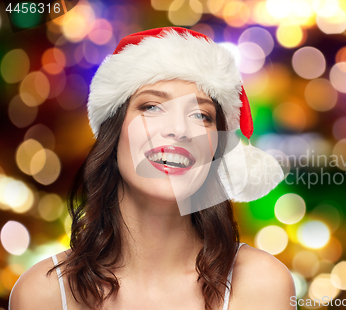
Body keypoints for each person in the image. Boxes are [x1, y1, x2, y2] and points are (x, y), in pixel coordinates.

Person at [9, 27, 295, 310]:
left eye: (200, 115)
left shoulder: (261, 285)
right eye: (151, 107)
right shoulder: (42, 294)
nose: (179, 130)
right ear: (114, 131)